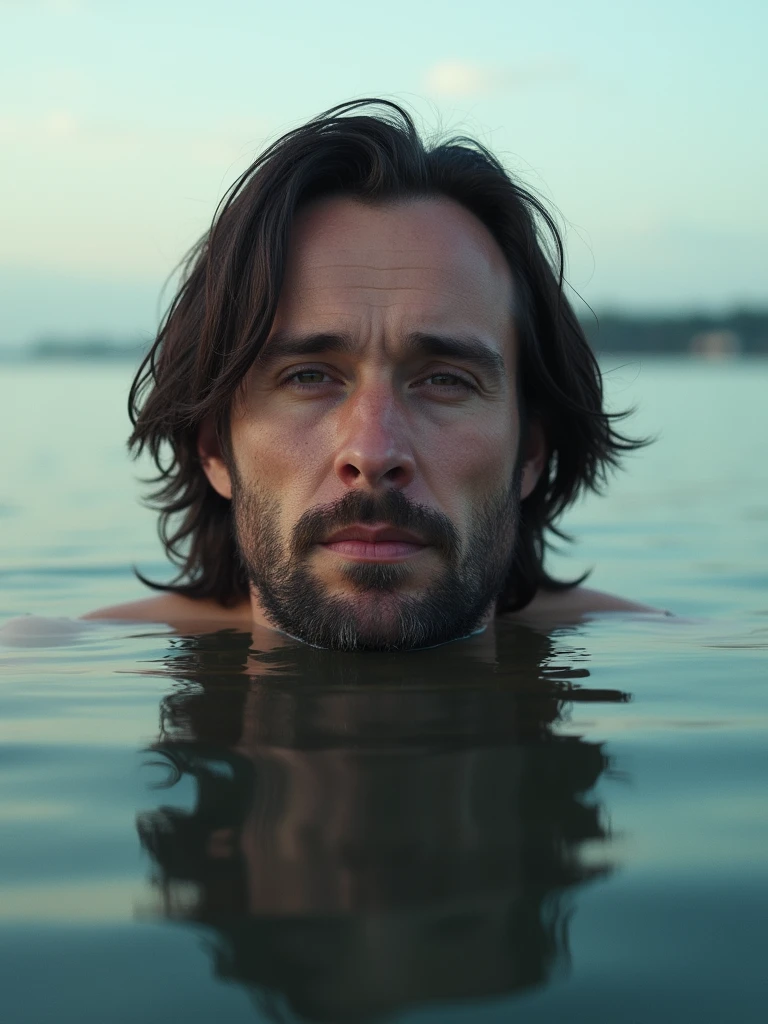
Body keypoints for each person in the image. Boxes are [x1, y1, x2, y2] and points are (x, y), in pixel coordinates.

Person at [87, 98, 655, 650]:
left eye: (445, 380)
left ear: (530, 452)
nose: (373, 452)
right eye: (308, 377)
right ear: (215, 450)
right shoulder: (38, 660)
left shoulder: (676, 651)